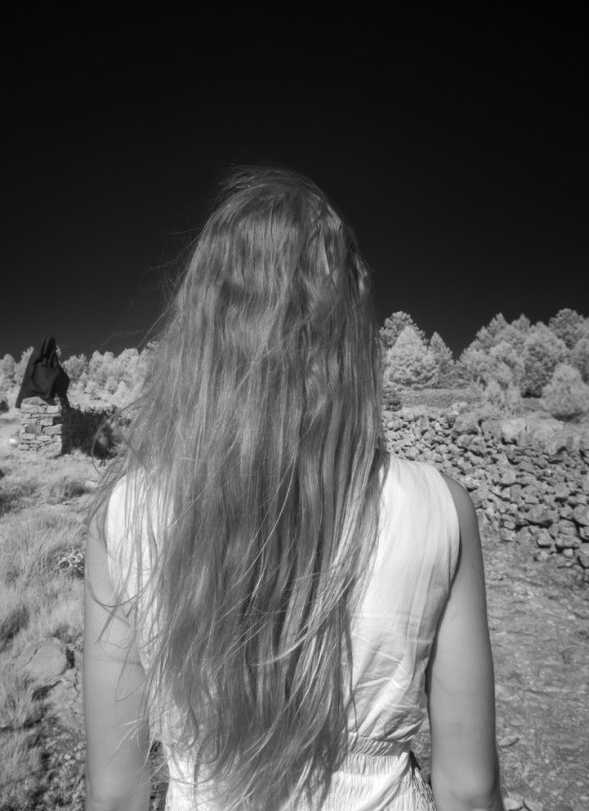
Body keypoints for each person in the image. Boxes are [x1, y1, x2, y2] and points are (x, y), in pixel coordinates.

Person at [83, 166, 507, 811]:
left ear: (202, 325)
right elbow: (470, 790)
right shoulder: (439, 509)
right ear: (351, 328)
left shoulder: (126, 515)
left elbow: (116, 794)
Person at [16, 336, 72, 409]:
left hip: (31, 389)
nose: (55, 347)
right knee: (63, 378)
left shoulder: (35, 354)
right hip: (47, 389)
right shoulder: (51, 353)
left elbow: (30, 373)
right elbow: (57, 370)